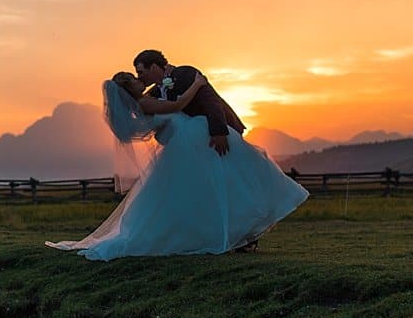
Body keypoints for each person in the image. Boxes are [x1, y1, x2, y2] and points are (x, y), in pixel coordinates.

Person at [46, 50, 308, 259]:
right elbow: (173, 110)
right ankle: (230, 236)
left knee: (239, 179)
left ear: (156, 66)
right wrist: (194, 89)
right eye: (136, 75)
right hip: (191, 146)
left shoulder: (183, 73)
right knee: (216, 189)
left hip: (209, 137)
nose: (141, 78)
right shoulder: (147, 98)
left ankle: (241, 236)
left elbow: (210, 102)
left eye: (142, 71)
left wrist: (218, 129)